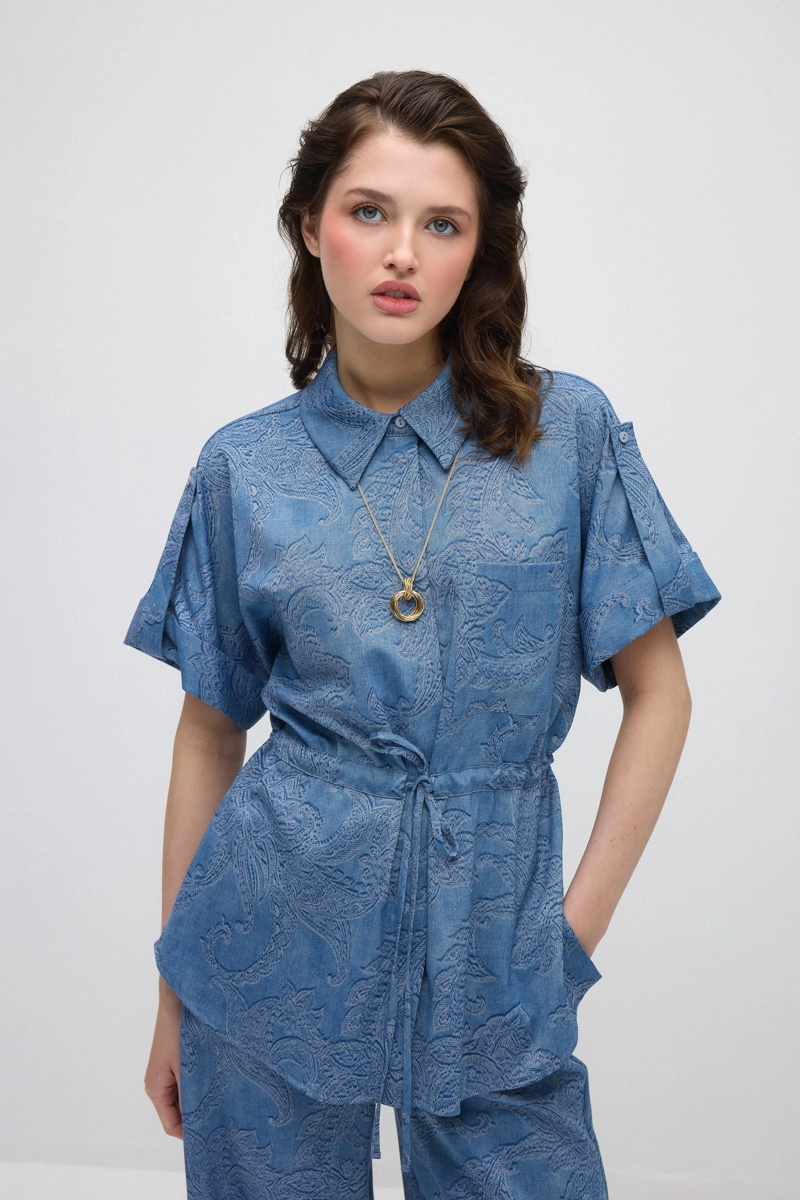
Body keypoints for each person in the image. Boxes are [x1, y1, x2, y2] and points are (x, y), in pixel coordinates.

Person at [124, 69, 721, 1200]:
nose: (401, 253)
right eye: (369, 211)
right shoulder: (242, 466)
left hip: (496, 954)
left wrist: (565, 941)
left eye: (441, 223)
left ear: (479, 248)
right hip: (263, 953)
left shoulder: (569, 435)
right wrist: (172, 993)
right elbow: (208, 734)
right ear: (312, 226)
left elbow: (662, 693)